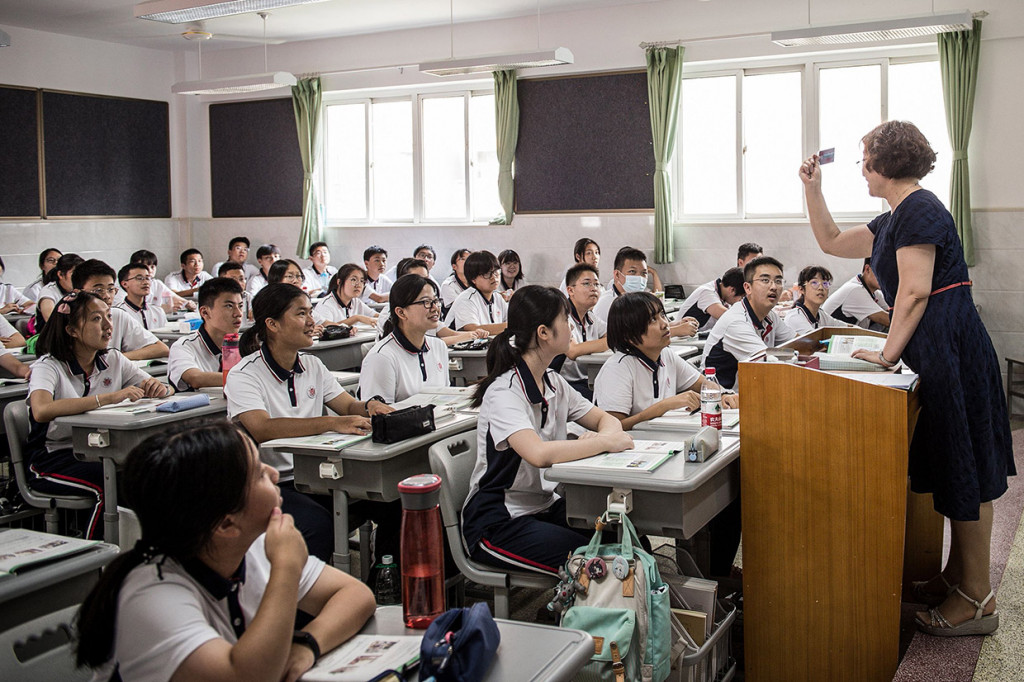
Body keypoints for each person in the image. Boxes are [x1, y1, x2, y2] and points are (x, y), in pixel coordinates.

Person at [800, 119, 1014, 636]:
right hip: (936, 346)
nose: (862, 169)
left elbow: (914, 291)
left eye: (864, 159)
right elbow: (829, 241)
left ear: (882, 163)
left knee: (964, 467)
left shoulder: (919, 208)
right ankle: (957, 575)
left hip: (949, 346)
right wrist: (812, 190)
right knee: (949, 463)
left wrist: (887, 353)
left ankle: (977, 598)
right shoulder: (893, 217)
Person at [74, 420, 376, 681]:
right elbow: (244, 677)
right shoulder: (151, 595)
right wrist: (287, 567)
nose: (273, 474)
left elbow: (356, 596)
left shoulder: (249, 546)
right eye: (258, 473)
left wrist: (306, 644)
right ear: (227, 524)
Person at [461, 285, 633, 574]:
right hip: (500, 521)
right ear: (543, 332)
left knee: (629, 541)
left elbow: (607, 421)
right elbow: (538, 454)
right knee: (600, 565)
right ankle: (570, 612)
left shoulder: (553, 380)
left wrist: (607, 435)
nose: (571, 329)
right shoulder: (504, 391)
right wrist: (605, 443)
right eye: (565, 321)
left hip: (545, 506)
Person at [225, 283, 392, 561]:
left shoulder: (311, 365)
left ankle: (387, 583)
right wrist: (331, 423)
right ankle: (307, 599)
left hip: (321, 474)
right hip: (277, 482)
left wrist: (368, 406)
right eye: (301, 314)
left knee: (393, 502)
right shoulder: (245, 374)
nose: (312, 322)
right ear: (272, 324)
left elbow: (347, 405)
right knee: (317, 524)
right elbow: (262, 428)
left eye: (310, 312)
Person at [26, 291, 172, 539]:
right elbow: (41, 410)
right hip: (54, 457)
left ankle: (145, 548)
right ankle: (99, 560)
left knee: (153, 473)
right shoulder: (48, 366)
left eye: (108, 316)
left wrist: (161, 388)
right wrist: (106, 398)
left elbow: (161, 388)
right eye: (96, 319)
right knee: (111, 485)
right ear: (72, 330)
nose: (108, 326)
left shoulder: (113, 358)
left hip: (103, 452)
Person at [595, 292, 739, 430]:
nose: (664, 324)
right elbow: (613, 426)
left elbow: (704, 385)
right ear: (629, 334)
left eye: (662, 315)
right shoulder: (617, 368)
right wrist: (664, 406)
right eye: (652, 320)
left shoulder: (665, 355)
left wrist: (725, 395)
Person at [701, 255, 797, 391]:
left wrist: (793, 352)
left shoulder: (770, 316)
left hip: (751, 391)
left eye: (778, 281)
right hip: (722, 400)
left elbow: (798, 341)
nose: (774, 287)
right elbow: (768, 361)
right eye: (765, 280)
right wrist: (792, 353)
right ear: (747, 288)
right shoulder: (736, 322)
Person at [359, 274, 450, 404]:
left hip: (440, 422)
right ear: (401, 312)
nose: (435, 308)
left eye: (435, 301)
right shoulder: (382, 357)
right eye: (426, 302)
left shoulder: (439, 346)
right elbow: (381, 416)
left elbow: (446, 398)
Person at [374, 259, 488, 346]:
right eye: (417, 278)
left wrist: (474, 334)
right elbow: (415, 345)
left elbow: (447, 333)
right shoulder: (390, 313)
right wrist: (464, 337)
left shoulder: (428, 308)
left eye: (426, 278)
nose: (424, 283)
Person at [73, 260, 169, 361]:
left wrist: (114, 360)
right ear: (77, 292)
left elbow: (161, 349)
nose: (107, 296)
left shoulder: (117, 315)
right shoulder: (67, 319)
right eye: (98, 290)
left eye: (111, 289)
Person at [593, 247, 698, 339]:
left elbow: (647, 328)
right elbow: (626, 337)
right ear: (616, 275)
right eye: (632, 272)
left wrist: (678, 324)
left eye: (644, 273)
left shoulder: (639, 300)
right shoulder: (606, 303)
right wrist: (676, 331)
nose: (639, 278)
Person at [168, 278, 245, 391]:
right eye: (229, 306)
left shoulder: (245, 345)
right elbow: (195, 378)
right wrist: (246, 379)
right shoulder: (184, 346)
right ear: (205, 312)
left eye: (240, 306)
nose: (238, 313)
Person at [557, 263, 608, 399]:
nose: (593, 289)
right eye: (587, 284)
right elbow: (573, 351)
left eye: (596, 284)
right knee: (605, 402)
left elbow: (611, 334)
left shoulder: (590, 316)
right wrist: (610, 341)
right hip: (564, 384)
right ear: (570, 290)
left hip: (586, 381)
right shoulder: (561, 315)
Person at [443, 251, 508, 334]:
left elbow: (508, 321)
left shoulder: (497, 297)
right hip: (456, 345)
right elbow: (473, 329)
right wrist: (512, 326)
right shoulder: (466, 299)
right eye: (487, 274)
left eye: (496, 272)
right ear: (473, 279)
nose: (493, 277)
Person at [821, 259, 891, 329]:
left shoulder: (874, 292)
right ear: (867, 269)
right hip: (828, 338)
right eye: (882, 271)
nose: (886, 277)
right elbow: (888, 321)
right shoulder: (855, 290)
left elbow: (893, 310)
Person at [672, 267, 746, 332]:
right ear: (732, 290)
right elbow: (728, 317)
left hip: (696, 337)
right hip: (681, 339)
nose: (740, 301)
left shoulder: (722, 294)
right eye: (741, 297)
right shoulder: (707, 292)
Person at [784, 265, 845, 336]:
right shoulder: (795, 317)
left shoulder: (821, 314)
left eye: (825, 283)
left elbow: (847, 328)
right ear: (801, 289)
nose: (821, 288)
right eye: (814, 283)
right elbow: (814, 341)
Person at [313, 264, 378, 327]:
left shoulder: (355, 302)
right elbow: (328, 328)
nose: (358, 284)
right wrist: (356, 318)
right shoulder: (325, 305)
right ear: (339, 282)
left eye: (362, 281)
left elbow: (375, 315)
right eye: (353, 280)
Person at [130, 250, 194, 312]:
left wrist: (188, 303)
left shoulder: (157, 284)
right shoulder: (129, 285)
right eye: (145, 267)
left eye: (152, 267)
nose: (150, 270)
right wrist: (161, 309)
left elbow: (175, 297)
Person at [35, 253, 83, 328]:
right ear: (60, 274)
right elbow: (52, 322)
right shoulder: (48, 292)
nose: (79, 278)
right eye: (74, 273)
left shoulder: (81, 291)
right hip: (49, 337)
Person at [115, 263, 168, 331]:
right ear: (125, 284)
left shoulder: (158, 311)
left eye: (147, 278)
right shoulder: (119, 313)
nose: (146, 282)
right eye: (139, 278)